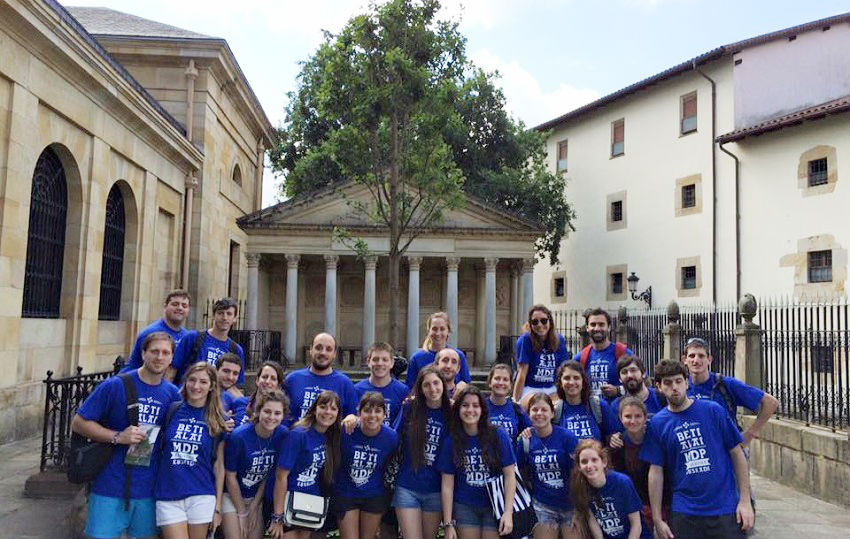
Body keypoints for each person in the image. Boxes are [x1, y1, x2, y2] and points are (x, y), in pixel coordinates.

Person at [71, 331, 181, 539]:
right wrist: (117, 436)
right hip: (110, 482)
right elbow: (79, 422)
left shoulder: (172, 394)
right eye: (154, 351)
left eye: (165, 353)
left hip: (148, 487)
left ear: (171, 358)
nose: (159, 357)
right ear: (143, 353)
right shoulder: (115, 386)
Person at [641, 360, 754, 539]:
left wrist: (745, 501)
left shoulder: (713, 410)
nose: (674, 387)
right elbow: (655, 471)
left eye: (678, 381)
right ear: (659, 387)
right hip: (685, 512)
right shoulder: (657, 423)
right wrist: (657, 519)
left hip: (724, 508)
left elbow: (737, 454)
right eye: (668, 383)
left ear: (687, 383)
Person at [154, 362, 229, 539]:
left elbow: (219, 465)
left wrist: (218, 507)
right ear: (185, 382)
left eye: (203, 382)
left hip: (201, 494)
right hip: (169, 493)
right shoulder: (172, 410)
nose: (196, 386)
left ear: (211, 386)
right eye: (192, 380)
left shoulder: (218, 419)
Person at [438, 385, 517, 539]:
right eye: (465, 405)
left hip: (494, 504)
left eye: (475, 405)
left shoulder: (497, 434)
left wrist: (508, 512)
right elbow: (447, 484)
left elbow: (510, 475)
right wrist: (448, 523)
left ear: (482, 410)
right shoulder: (451, 440)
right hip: (465, 506)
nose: (470, 410)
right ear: (458, 409)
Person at [268, 390, 342, 539]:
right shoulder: (299, 434)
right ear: (314, 409)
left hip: (310, 503)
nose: (328, 412)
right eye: (323, 406)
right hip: (289, 501)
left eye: (333, 409)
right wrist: (278, 516)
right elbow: (281, 476)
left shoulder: (329, 436)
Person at [392, 365, 452, 539]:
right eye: (427, 385)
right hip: (407, 486)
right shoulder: (410, 408)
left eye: (436, 383)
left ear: (443, 384)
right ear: (420, 388)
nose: (432, 389)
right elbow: (392, 436)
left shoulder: (452, 412)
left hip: (436, 488)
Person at [682, 337, 779, 445]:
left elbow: (771, 402)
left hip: (728, 451)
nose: (696, 360)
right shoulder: (680, 388)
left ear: (709, 359)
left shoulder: (726, 384)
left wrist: (750, 434)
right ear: (684, 360)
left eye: (701, 356)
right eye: (692, 356)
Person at [222, 389, 289, 539]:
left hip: (255, 497)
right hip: (232, 495)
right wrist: (242, 511)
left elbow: (268, 475)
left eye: (277, 413)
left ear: (283, 415)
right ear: (258, 411)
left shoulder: (282, 435)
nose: (271, 417)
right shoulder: (239, 436)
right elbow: (230, 477)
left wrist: (253, 507)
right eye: (267, 411)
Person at [335, 392, 400, 539]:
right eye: (367, 410)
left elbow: (391, 462)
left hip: (374, 494)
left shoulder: (391, 437)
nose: (372, 415)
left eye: (378, 411)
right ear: (359, 413)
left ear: (384, 414)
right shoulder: (346, 431)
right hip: (346, 492)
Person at [516, 393, 579, 539]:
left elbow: (579, 473)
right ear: (528, 414)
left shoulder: (567, 437)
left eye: (544, 410)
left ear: (552, 413)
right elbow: (517, 470)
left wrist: (580, 507)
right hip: (543, 505)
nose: (539, 414)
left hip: (571, 504)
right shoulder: (526, 439)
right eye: (535, 410)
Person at [608, 397, 671, 537]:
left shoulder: (657, 436)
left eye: (638, 416)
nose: (633, 421)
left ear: (645, 416)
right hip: (638, 508)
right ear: (620, 417)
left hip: (666, 503)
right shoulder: (618, 445)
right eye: (628, 416)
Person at [570, 439, 647, 539]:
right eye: (584, 462)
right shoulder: (581, 487)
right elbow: (593, 522)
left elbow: (636, 525)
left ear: (604, 462)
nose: (589, 466)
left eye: (594, 460)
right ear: (579, 467)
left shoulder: (622, 482)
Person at [284, 332, 357, 424]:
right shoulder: (292, 380)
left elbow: (352, 417)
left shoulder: (345, 384)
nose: (323, 352)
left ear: (334, 354)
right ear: (311, 350)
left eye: (328, 349)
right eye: (318, 348)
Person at [171, 297, 245, 386]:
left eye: (229, 314)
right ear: (213, 315)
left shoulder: (236, 350)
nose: (224, 318)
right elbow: (172, 371)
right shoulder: (192, 338)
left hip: (216, 398)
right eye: (220, 313)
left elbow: (236, 385)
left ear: (235, 319)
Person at [121, 289, 191, 374]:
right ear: (165, 307)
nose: (179, 308)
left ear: (188, 310)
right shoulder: (151, 333)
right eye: (175, 304)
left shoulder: (188, 336)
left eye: (184, 306)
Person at [513, 305, 571, 407]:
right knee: (540, 405)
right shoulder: (525, 340)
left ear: (550, 321)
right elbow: (522, 373)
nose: (539, 325)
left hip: (551, 388)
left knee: (559, 406)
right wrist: (515, 402)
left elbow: (561, 371)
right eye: (535, 322)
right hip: (531, 388)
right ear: (530, 324)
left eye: (543, 321)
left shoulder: (559, 340)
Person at [573, 308, 632, 399]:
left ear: (608, 327)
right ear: (587, 328)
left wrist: (618, 390)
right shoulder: (580, 357)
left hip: (617, 410)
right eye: (593, 324)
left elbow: (641, 382)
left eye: (601, 324)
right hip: (591, 411)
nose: (597, 328)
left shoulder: (623, 353)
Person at [349, 342, 410, 427]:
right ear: (368, 361)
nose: (380, 363)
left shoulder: (403, 391)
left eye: (385, 359)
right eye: (375, 359)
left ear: (392, 363)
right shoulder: (356, 390)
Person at [406, 312, 471, 389]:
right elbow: (410, 387)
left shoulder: (458, 356)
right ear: (428, 331)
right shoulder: (416, 358)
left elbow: (466, 384)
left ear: (448, 331)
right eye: (434, 329)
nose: (438, 333)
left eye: (442, 329)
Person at [554, 361, 614, 442]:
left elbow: (612, 439)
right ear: (560, 383)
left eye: (576, 378)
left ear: (583, 382)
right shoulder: (555, 410)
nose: (571, 382)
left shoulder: (599, 405)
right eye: (567, 378)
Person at [608, 356, 664, 438]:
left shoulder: (661, 397)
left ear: (644, 373)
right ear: (620, 379)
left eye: (633, 370)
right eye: (624, 372)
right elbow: (615, 434)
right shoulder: (616, 406)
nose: (629, 375)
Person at [486, 363, 531, 441]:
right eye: (497, 378)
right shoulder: (480, 406)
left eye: (505, 379)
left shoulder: (517, 409)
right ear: (490, 382)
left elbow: (531, 430)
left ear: (510, 385)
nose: (501, 383)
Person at [233, 361, 285, 426]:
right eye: (265, 377)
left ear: (278, 386)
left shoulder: (280, 412)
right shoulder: (239, 403)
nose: (268, 381)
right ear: (257, 380)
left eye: (273, 379)